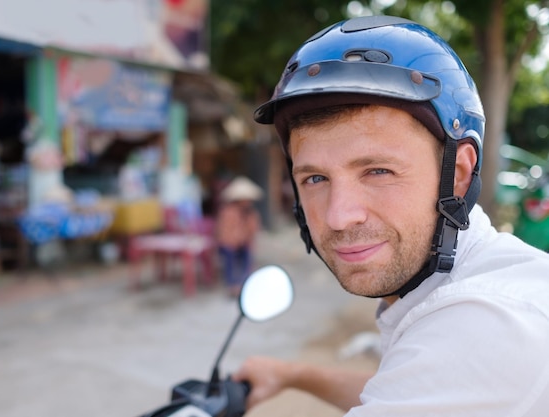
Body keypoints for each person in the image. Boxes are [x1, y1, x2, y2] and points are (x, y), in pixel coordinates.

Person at [232, 15, 549, 415]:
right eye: (314, 178)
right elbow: (408, 388)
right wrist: (293, 375)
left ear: (459, 174)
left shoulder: (490, 322)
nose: (339, 216)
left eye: (378, 171)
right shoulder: (469, 285)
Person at [215, 175, 263, 297]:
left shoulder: (251, 213)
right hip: (229, 243)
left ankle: (244, 282)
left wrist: (249, 219)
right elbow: (225, 232)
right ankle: (232, 286)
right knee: (229, 259)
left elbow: (254, 230)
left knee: (248, 257)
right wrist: (237, 240)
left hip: (243, 243)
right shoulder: (228, 212)